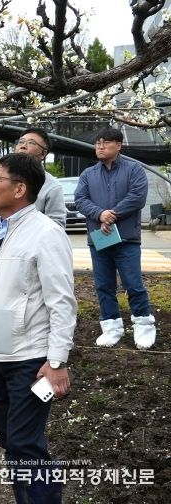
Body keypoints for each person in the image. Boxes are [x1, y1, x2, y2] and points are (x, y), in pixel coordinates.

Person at [0, 153, 76, 504]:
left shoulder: (46, 233)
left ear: (19, 189)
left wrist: (56, 362)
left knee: (25, 442)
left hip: (33, 361)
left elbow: (62, 302)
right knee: (10, 442)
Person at [74, 126, 156, 350]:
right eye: (97, 143)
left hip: (127, 238)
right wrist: (99, 214)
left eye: (105, 142)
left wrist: (112, 215)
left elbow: (137, 197)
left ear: (118, 145)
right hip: (99, 238)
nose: (100, 147)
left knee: (134, 284)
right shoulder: (88, 174)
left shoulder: (134, 170)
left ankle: (144, 325)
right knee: (103, 285)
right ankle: (111, 327)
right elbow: (80, 199)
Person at [0, 127, 66, 229]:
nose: (23, 146)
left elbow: (57, 226)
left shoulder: (52, 186)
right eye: (21, 142)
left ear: (43, 153)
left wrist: (24, 229)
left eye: (31, 142)